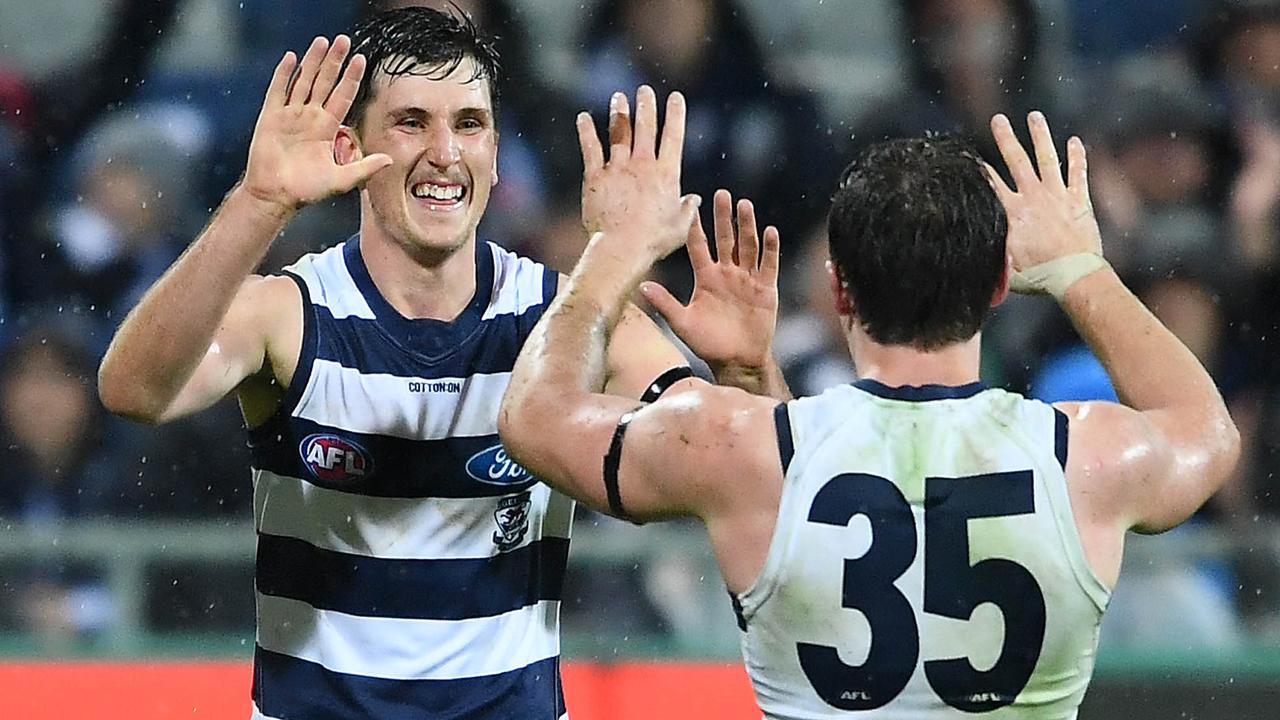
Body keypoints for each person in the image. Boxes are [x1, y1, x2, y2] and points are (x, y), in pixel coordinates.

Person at [97, 8, 785, 719]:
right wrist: (259, 202)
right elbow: (132, 390)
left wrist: (745, 372)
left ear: (494, 148)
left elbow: (739, 472)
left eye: (468, 123)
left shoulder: (563, 322)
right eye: (411, 121)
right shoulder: (291, 313)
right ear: (350, 145)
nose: (444, 153)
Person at [499, 89, 1241, 717]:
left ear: (837, 291)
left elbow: (535, 417)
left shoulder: (745, 449)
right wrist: (1081, 269)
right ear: (995, 289)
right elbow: (1207, 431)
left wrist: (617, 248)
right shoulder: (1085, 457)